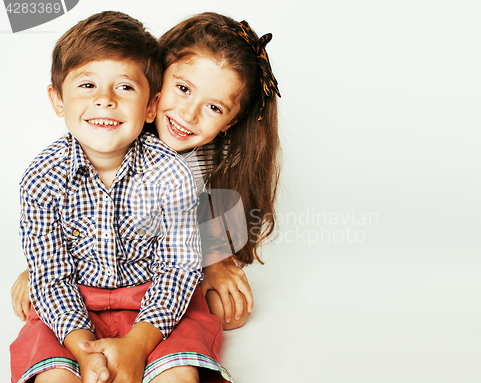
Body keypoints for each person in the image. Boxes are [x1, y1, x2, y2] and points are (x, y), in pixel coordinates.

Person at [7, 11, 220, 383]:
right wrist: (86, 351)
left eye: (124, 87)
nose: (104, 99)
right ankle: (67, 377)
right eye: (87, 85)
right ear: (57, 99)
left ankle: (165, 375)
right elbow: (49, 275)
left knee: (178, 381)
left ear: (150, 106)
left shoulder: (170, 174)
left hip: (156, 303)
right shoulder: (40, 177)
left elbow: (178, 268)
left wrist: (139, 344)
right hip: (72, 303)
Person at [11, 11, 281, 330]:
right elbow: (67, 210)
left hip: (169, 258)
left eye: (214, 107)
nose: (188, 114)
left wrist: (217, 261)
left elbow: (218, 213)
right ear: (157, 77)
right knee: (44, 300)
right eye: (182, 89)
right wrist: (39, 269)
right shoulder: (115, 132)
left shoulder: (217, 156)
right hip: (95, 257)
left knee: (228, 312)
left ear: (230, 122)